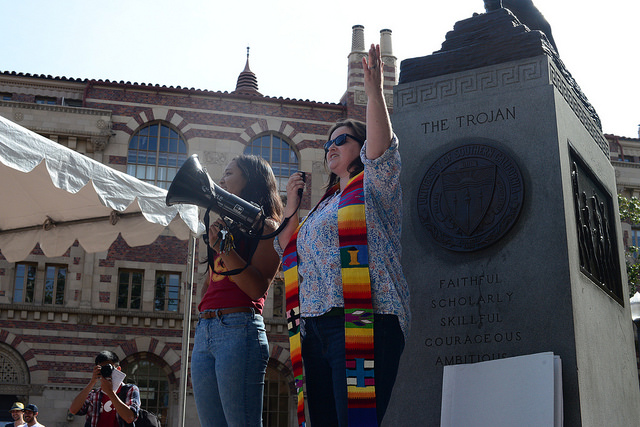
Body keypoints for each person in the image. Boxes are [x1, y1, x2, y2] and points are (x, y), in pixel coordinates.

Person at [276, 44, 410, 427]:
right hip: (315, 327)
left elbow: (382, 151)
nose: (331, 147)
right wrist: (292, 205)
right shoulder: (324, 205)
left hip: (365, 319)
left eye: (341, 140)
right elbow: (285, 249)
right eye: (327, 144)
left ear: (362, 147)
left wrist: (374, 94)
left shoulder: (374, 185)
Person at [191, 154, 284, 426]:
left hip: (239, 328)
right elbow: (211, 282)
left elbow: (256, 288)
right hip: (206, 329)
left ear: (251, 179)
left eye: (230, 173)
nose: (222, 179)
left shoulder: (268, 228)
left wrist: (224, 249)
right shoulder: (226, 226)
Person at [68, 350, 140, 427]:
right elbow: (73, 410)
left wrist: (110, 392)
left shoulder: (130, 390)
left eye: (109, 368)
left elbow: (129, 418)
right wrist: (92, 381)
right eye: (103, 369)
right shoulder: (94, 394)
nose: (107, 372)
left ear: (118, 369)